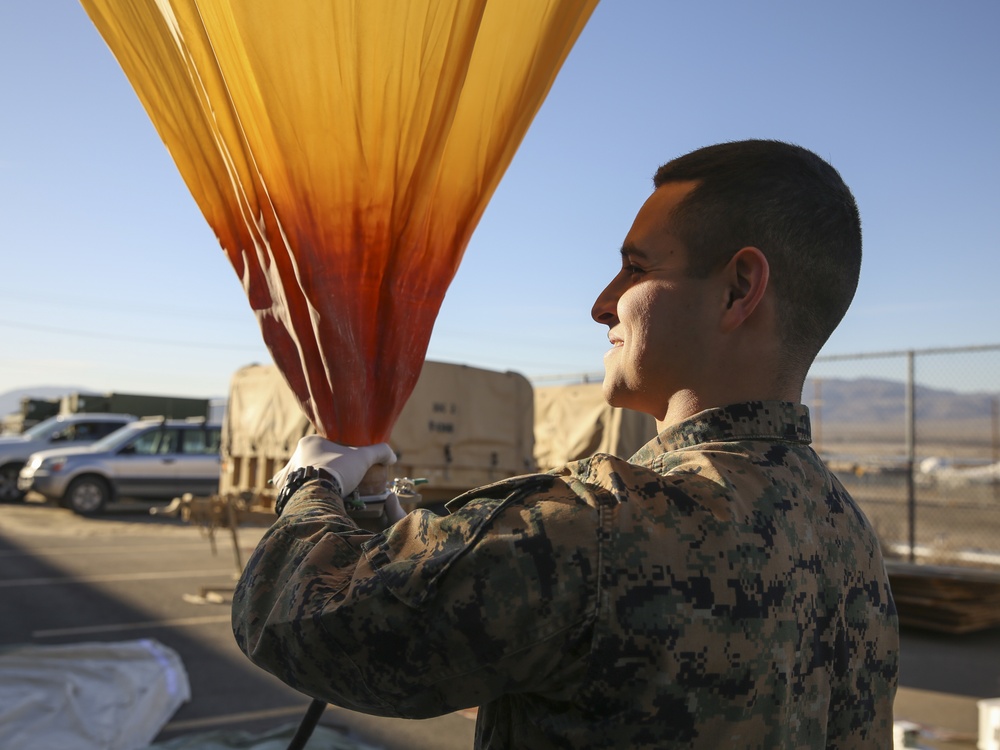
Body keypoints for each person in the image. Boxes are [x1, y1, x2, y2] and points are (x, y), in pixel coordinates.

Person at [232, 139, 899, 749]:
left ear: (738, 289)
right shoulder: (848, 540)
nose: (603, 304)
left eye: (636, 268)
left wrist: (310, 487)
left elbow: (299, 620)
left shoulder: (600, 528)